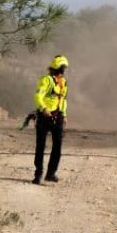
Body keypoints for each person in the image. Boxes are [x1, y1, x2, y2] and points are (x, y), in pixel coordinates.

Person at [33, 54, 68, 184]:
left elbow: (63, 99)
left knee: (57, 146)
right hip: (44, 116)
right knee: (40, 146)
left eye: (64, 68)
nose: (63, 70)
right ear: (56, 68)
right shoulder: (46, 80)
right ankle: (38, 174)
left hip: (57, 116)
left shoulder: (63, 82)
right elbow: (38, 96)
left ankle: (51, 173)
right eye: (62, 67)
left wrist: (64, 114)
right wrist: (43, 108)